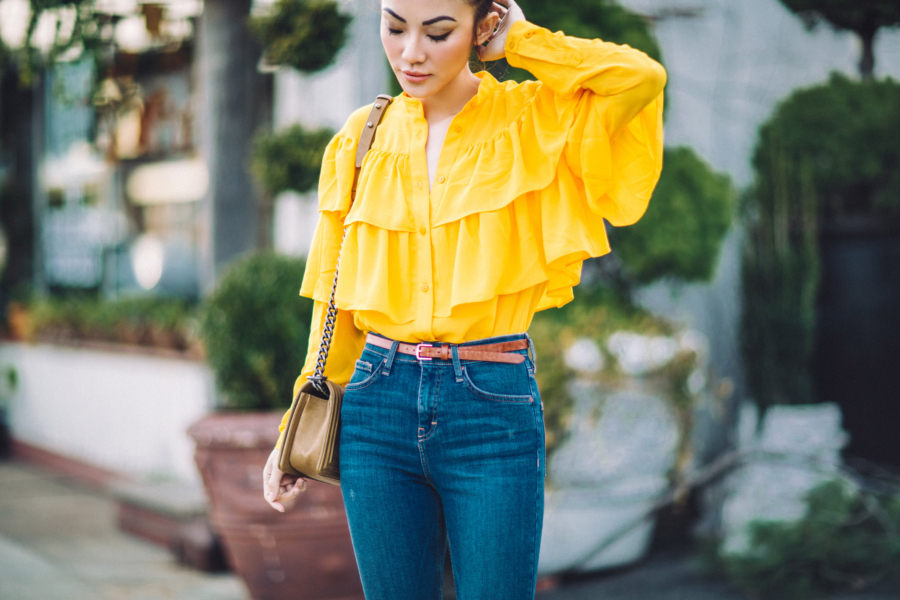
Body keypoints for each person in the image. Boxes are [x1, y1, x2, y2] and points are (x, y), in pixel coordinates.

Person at [263, 0, 666, 597]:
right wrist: (292, 432)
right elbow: (334, 298)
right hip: (377, 405)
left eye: (438, 31)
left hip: (490, 406)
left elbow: (640, 79)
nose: (411, 52)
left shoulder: (531, 119)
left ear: (482, 26)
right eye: (394, 26)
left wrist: (524, 42)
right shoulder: (360, 138)